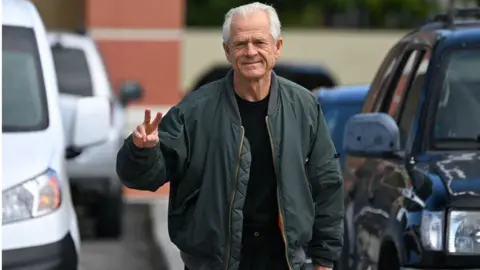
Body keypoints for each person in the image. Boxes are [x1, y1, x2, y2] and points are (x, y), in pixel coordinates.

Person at [116, 2, 344, 270]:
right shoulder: (193, 111)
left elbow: (326, 183)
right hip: (212, 262)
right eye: (240, 44)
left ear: (277, 47)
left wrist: (324, 259)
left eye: (260, 41)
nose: (250, 52)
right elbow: (143, 177)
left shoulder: (305, 107)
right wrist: (142, 151)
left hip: (283, 260)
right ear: (227, 51)